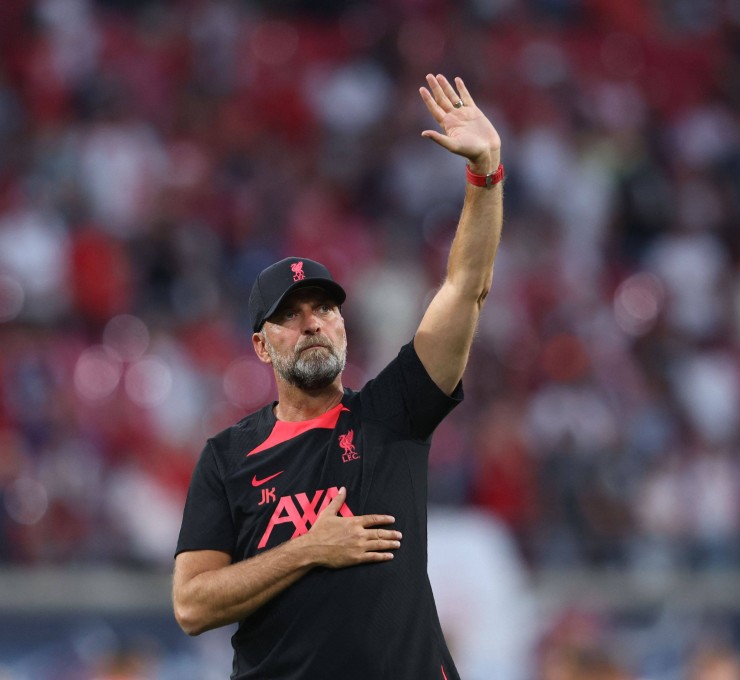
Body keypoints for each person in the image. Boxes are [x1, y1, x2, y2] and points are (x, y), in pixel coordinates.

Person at [172, 74, 503, 680]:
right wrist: (308, 550)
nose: (312, 324)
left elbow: (465, 290)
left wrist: (486, 175)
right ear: (260, 346)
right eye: (290, 317)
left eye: (324, 308)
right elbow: (192, 605)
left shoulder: (392, 415)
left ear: (344, 324)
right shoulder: (227, 458)